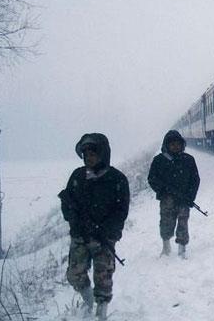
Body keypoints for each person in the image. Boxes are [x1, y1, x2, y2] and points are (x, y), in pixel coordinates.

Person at [58, 133, 130, 320]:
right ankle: (88, 300)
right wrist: (74, 222)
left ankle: (101, 311)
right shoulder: (77, 176)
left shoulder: (117, 179)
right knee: (75, 274)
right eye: (85, 154)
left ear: (103, 154)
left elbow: (121, 210)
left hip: (104, 238)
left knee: (103, 276)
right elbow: (67, 203)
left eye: (92, 153)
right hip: (80, 235)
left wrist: (107, 231)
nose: (88, 157)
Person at [148, 130, 200, 259]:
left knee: (183, 222)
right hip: (167, 199)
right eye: (172, 144)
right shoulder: (159, 160)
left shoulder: (188, 160)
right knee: (166, 222)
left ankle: (182, 248)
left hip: (184, 198)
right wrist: (162, 191)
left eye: (178, 144)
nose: (175, 146)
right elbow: (152, 179)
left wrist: (190, 196)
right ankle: (166, 246)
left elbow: (195, 180)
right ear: (166, 145)